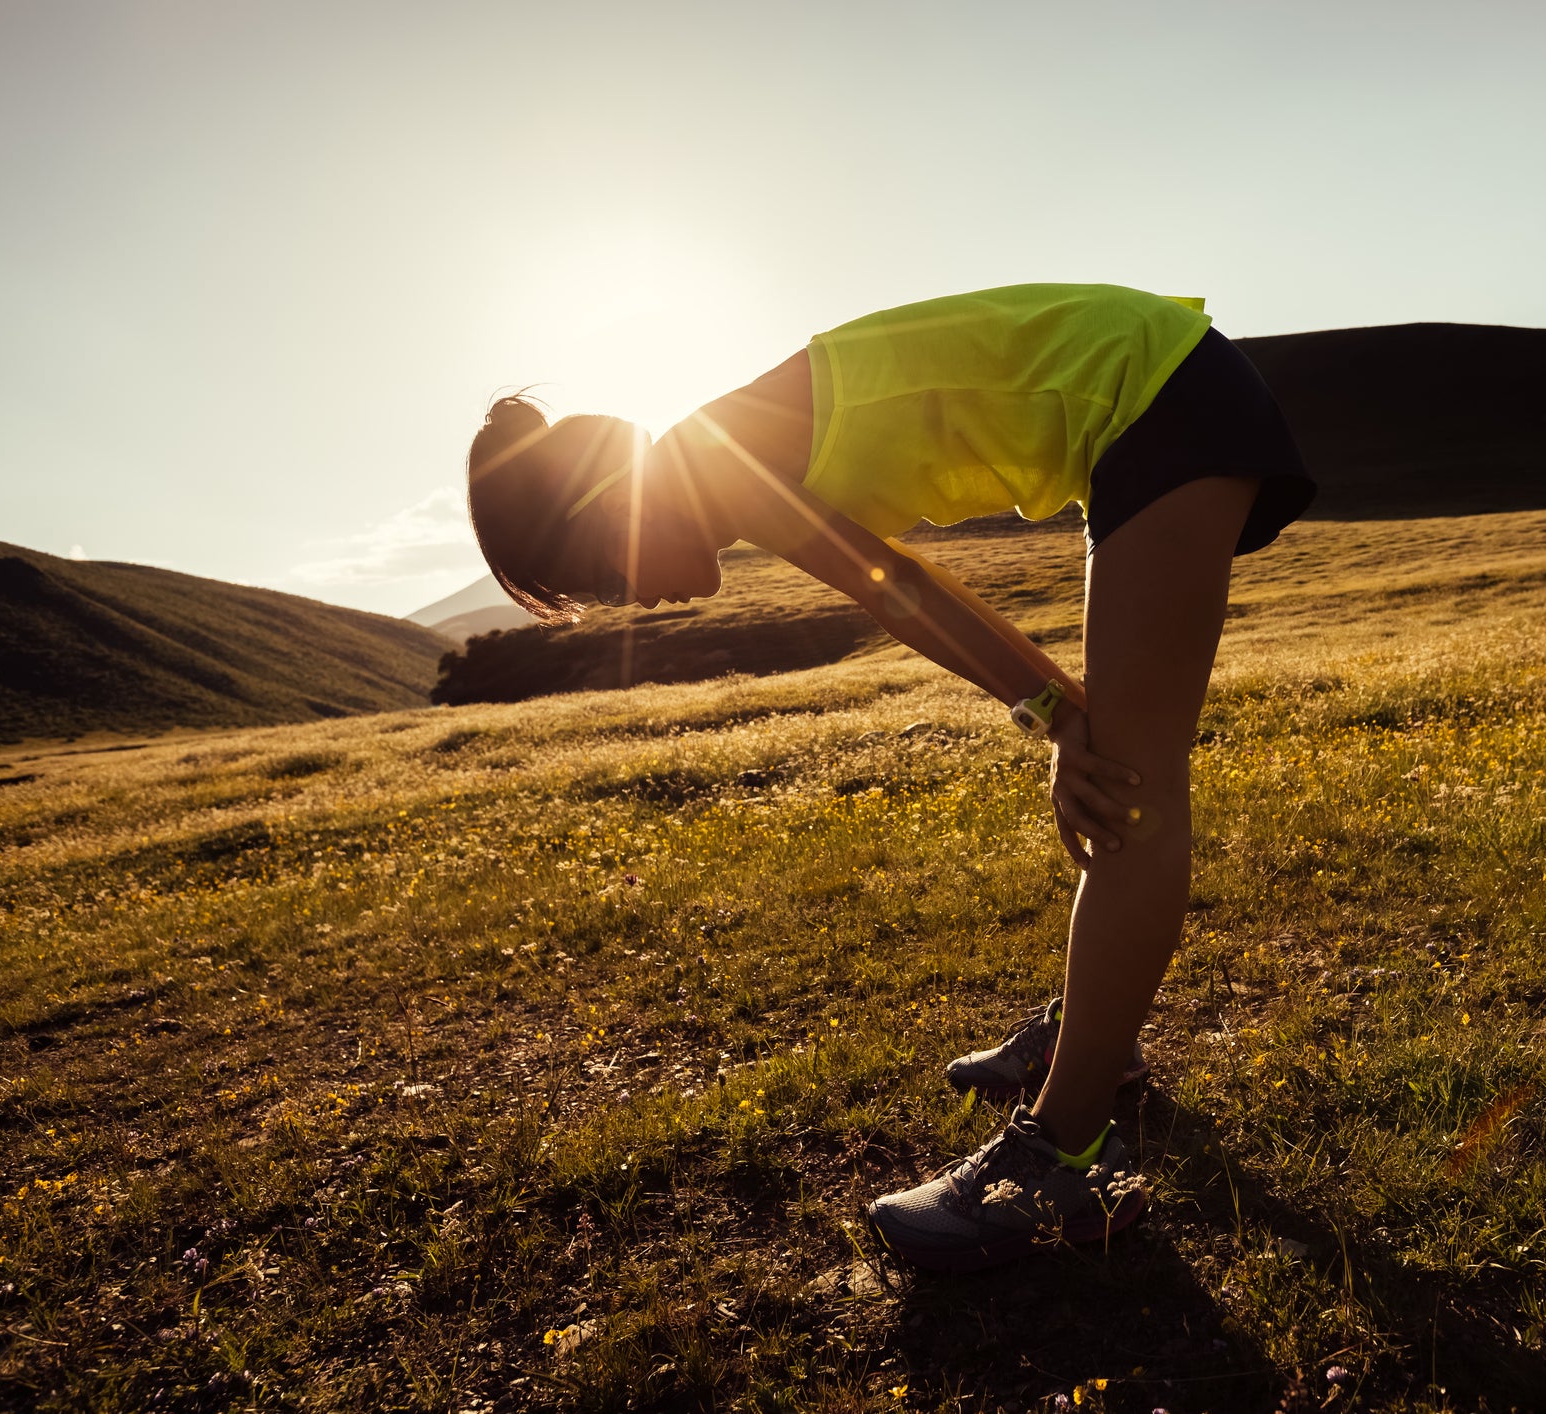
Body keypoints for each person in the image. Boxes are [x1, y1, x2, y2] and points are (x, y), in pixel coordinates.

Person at [465, 283, 1313, 1271]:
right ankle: (1093, 1024)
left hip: (1158, 395)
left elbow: (901, 593)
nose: (637, 598)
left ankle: (1068, 1152)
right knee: (1112, 768)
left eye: (608, 574)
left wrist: (1063, 722)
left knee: (1127, 790)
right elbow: (903, 587)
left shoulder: (725, 461)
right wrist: (1058, 713)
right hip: (1149, 397)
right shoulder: (720, 452)